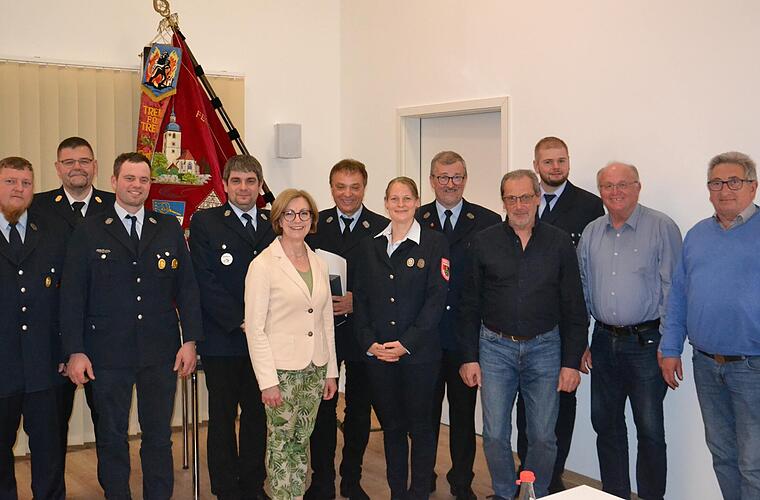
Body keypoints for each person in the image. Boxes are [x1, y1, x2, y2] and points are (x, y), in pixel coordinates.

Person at [60, 152, 203, 499]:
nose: (136, 185)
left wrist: (190, 340)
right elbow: (73, 295)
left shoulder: (167, 227)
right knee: (111, 436)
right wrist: (75, 350)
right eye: (129, 178)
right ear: (113, 182)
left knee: (158, 436)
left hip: (160, 350)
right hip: (107, 352)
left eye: (143, 179)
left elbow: (187, 288)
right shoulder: (89, 229)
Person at [458, 169, 588, 499]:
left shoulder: (559, 242)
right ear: (503, 202)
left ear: (537, 198)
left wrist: (571, 361)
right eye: (512, 198)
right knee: (494, 435)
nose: (519, 205)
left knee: (543, 436)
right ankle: (504, 493)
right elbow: (469, 304)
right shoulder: (484, 242)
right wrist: (469, 357)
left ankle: (535, 493)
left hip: (545, 348)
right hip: (495, 348)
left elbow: (574, 305)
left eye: (526, 197)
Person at [578, 162, 682, 500]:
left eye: (623, 184)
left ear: (638, 186)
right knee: (605, 425)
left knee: (649, 430)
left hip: (647, 343)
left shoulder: (661, 227)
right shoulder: (592, 232)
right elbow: (582, 289)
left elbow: (674, 290)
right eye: (608, 186)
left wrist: (670, 346)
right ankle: (615, 493)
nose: (615, 191)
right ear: (600, 191)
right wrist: (582, 340)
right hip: (603, 340)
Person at [660, 151, 760, 500]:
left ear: (752, 186)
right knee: (722, 455)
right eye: (716, 183)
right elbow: (679, 296)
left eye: (734, 181)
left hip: (752, 367)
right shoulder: (697, 235)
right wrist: (670, 348)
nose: (724, 190)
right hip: (705, 364)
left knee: (754, 463)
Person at [516, 136, 605, 493]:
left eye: (561, 160)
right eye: (548, 161)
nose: (555, 167)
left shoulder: (589, 206)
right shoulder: (524, 202)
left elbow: (591, 274)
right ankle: (526, 483)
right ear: (536, 165)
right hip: (526, 328)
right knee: (527, 411)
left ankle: (552, 481)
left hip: (565, 327)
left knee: (562, 407)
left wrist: (581, 340)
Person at [353, 177, 449, 500]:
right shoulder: (370, 245)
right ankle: (397, 492)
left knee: (421, 429)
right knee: (392, 428)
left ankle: (419, 492)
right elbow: (361, 300)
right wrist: (369, 342)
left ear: (417, 202)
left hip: (419, 356)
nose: (401, 204)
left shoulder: (434, 243)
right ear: (385, 203)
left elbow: (436, 300)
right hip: (380, 355)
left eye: (407, 198)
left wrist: (406, 344)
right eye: (394, 199)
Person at [189, 155, 275, 500]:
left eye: (251, 181)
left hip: (265, 339)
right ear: (224, 185)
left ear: (260, 186)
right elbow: (204, 279)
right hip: (223, 337)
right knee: (222, 417)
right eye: (236, 181)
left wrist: (260, 324)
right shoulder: (206, 222)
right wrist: (241, 320)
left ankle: (253, 486)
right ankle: (226, 489)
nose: (243, 188)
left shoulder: (273, 222)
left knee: (257, 415)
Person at [244, 188, 339, 500]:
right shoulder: (263, 265)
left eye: (304, 213)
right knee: (281, 445)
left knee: (301, 442)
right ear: (279, 218)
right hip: (281, 372)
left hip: (315, 368)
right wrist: (267, 382)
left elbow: (325, 321)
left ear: (312, 219)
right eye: (290, 213)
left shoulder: (319, 263)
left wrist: (331, 371)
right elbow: (255, 329)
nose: (297, 220)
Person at [416, 151, 500, 500]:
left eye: (457, 177)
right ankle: (422, 477)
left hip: (466, 338)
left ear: (465, 180)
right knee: (424, 416)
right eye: (443, 177)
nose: (450, 184)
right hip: (425, 338)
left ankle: (462, 481)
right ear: (431, 180)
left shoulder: (488, 221)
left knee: (464, 418)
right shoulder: (415, 218)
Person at [31, 136, 115, 478]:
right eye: (69, 162)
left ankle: (114, 490)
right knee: (51, 429)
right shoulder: (36, 207)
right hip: (53, 336)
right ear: (57, 168)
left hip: (105, 335)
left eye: (84, 161)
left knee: (109, 426)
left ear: (95, 166)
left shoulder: (115, 205)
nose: (77, 167)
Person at [305, 159, 388, 500]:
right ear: (331, 188)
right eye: (341, 187)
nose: (348, 194)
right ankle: (321, 481)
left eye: (355, 187)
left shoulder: (382, 227)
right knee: (322, 409)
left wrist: (358, 300)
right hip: (322, 333)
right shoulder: (313, 224)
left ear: (364, 188)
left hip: (362, 332)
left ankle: (351, 480)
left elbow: (390, 283)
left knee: (358, 410)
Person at [0, 156, 66, 499]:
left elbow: (67, 298)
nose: (19, 189)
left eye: (26, 183)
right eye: (10, 181)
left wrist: (68, 350)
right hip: (2, 363)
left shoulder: (52, 231)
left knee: (48, 449)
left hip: (44, 361)